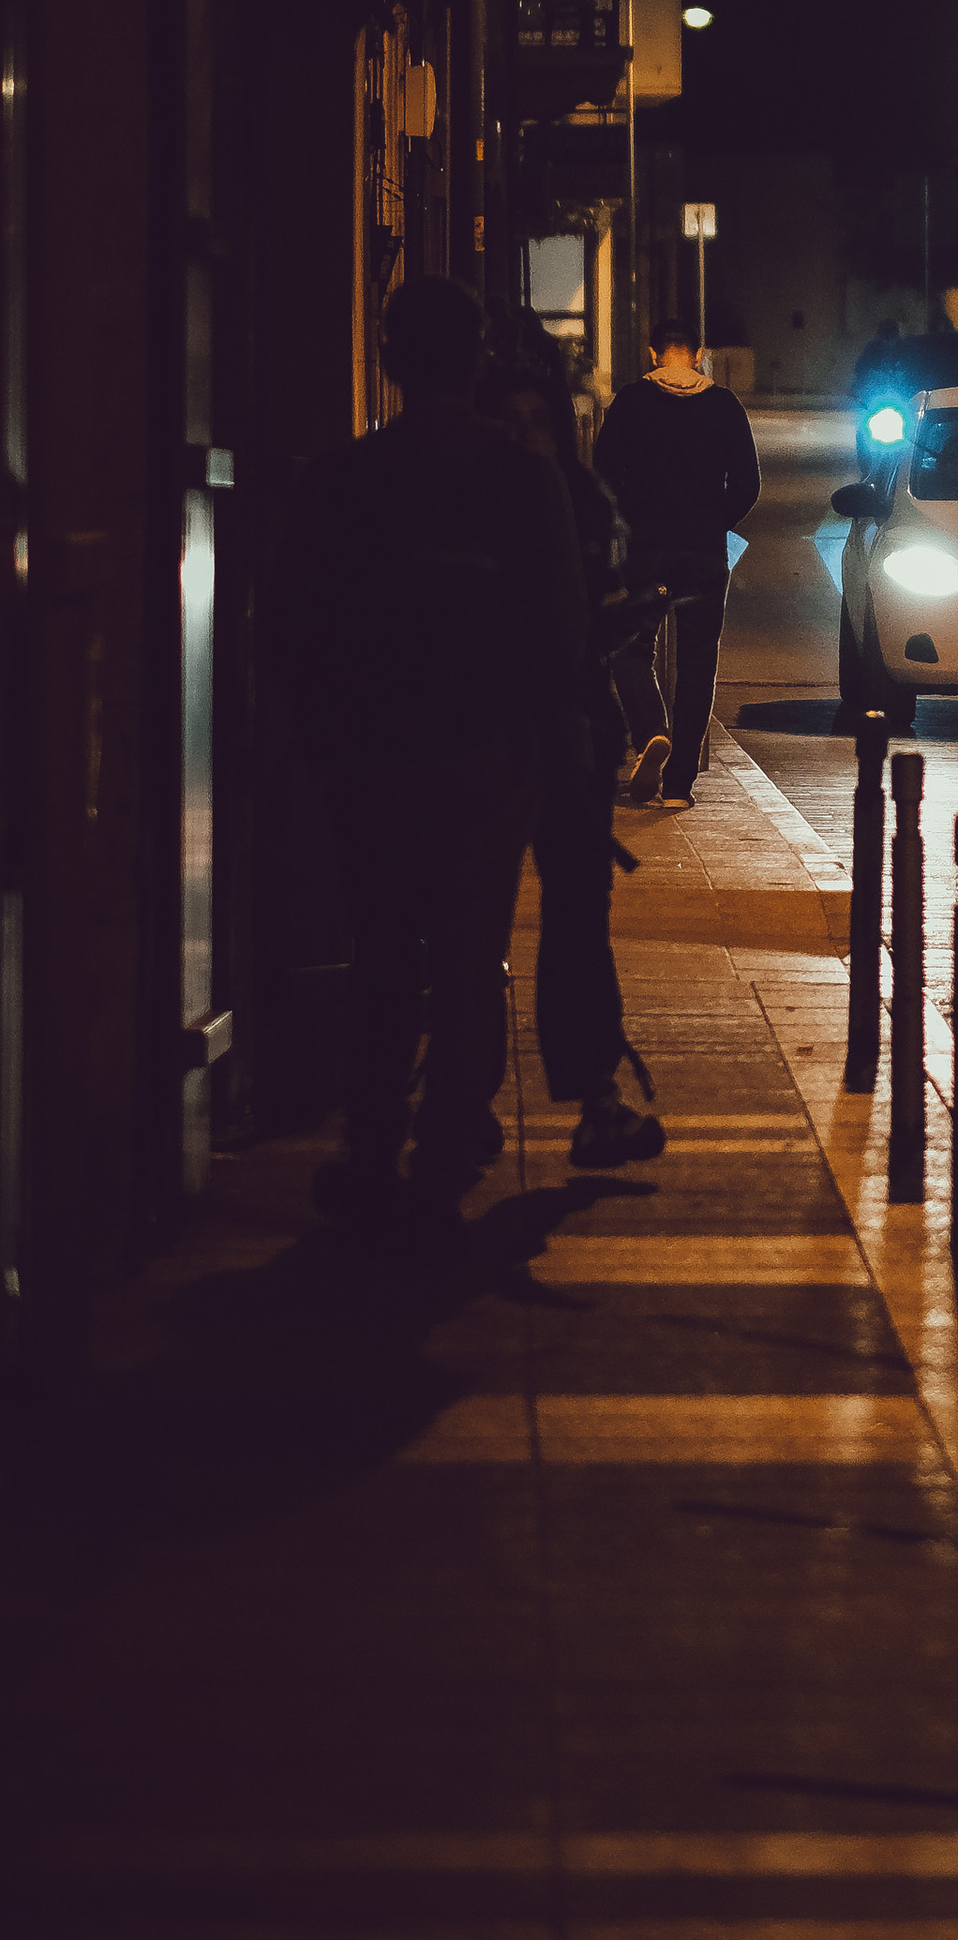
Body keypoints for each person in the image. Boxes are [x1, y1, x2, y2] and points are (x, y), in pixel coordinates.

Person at [267, 273, 587, 1232]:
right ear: (479, 360)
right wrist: (541, 741)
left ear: (393, 362)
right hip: (485, 757)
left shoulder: (342, 480)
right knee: (467, 958)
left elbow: (293, 625)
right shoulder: (523, 478)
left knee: (380, 959)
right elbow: (561, 623)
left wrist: (319, 739)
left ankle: (370, 1144)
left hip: (371, 759)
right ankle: (448, 1142)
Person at [480, 343, 667, 1169]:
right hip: (487, 738)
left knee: (575, 922)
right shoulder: (472, 503)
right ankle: (461, 1104)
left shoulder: (584, 503)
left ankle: (594, 1096)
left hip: (569, 737)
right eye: (508, 423)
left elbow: (617, 606)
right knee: (471, 927)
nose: (526, 439)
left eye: (538, 423)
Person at [594, 316, 761, 807]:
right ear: (698, 353)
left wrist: (627, 521)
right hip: (704, 553)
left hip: (645, 550)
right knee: (696, 663)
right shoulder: (724, 405)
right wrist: (715, 523)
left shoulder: (630, 402)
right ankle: (679, 785)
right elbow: (748, 484)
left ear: (651, 353)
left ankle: (650, 732)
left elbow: (602, 477)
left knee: (629, 648)